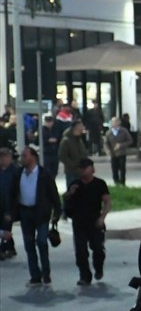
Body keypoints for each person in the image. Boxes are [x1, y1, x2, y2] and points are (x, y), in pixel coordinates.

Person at [10, 146, 62, 287]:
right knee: (29, 244)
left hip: (41, 213)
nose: (22, 159)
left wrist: (57, 212)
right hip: (25, 213)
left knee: (42, 242)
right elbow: (14, 193)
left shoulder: (44, 174)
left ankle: (46, 272)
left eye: (24, 156)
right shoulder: (19, 173)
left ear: (33, 157)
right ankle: (35, 276)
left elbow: (53, 194)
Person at [63, 158, 110, 286]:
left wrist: (102, 217)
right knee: (81, 250)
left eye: (86, 168)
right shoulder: (75, 184)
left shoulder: (100, 184)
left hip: (94, 221)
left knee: (98, 247)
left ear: (92, 169)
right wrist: (70, 193)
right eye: (81, 168)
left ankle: (98, 267)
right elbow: (65, 198)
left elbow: (107, 202)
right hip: (78, 221)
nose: (83, 171)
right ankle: (85, 275)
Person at [0, 147, 20, 259]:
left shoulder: (15, 172)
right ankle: (10, 247)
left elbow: (16, 193)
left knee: (6, 226)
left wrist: (12, 210)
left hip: (10, 205)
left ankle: (4, 248)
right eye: (1, 157)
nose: (2, 159)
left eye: (5, 157)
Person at [59, 120, 90, 188]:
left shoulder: (79, 140)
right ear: (76, 128)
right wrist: (74, 164)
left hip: (81, 172)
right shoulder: (66, 141)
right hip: (71, 172)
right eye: (81, 126)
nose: (83, 128)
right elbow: (62, 156)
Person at [104, 117, 133, 185]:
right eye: (113, 122)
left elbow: (130, 140)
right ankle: (116, 182)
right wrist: (107, 151)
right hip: (113, 153)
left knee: (122, 168)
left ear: (119, 123)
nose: (114, 123)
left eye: (116, 122)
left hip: (121, 153)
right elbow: (105, 143)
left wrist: (121, 145)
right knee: (114, 168)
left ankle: (122, 182)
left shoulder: (124, 131)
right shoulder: (109, 132)